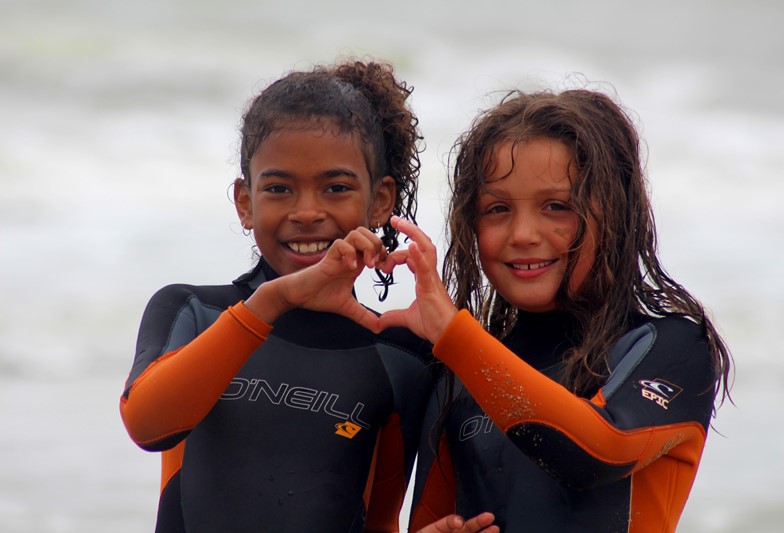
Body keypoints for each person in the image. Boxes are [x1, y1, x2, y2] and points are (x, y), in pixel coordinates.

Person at [378, 88, 733, 532]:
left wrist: (453, 336)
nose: (523, 233)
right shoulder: (457, 376)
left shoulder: (669, 346)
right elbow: (430, 520)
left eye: (557, 207)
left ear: (617, 214)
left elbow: (599, 452)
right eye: (497, 209)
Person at [120, 59, 437, 533]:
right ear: (245, 203)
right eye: (279, 188)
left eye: (336, 187)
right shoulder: (193, 312)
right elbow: (147, 425)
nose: (306, 212)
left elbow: (383, 519)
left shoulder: (400, 357)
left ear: (379, 202)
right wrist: (270, 303)